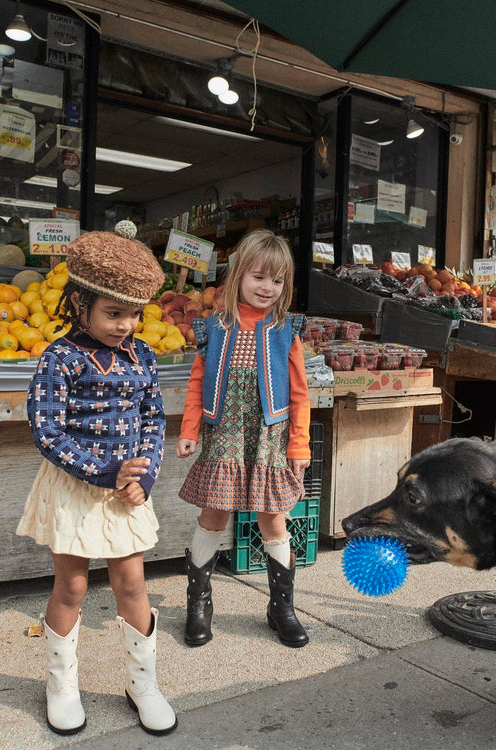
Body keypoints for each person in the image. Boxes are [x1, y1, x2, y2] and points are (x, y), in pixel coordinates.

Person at [16, 224, 177, 737]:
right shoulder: (59, 358)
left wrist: (145, 474)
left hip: (127, 493)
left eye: (134, 313)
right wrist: (106, 471)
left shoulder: (144, 356)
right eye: (113, 313)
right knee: (73, 585)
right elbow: (47, 431)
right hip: (75, 488)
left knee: (132, 582)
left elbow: (154, 419)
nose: (126, 324)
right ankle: (61, 685)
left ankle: (142, 683)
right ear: (79, 303)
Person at [177, 228, 311, 649]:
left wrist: (299, 445)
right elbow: (198, 382)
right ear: (238, 276)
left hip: (269, 439)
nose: (268, 288)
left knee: (273, 519)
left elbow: (300, 393)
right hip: (224, 440)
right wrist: (189, 430)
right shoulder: (214, 327)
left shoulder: (287, 330)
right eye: (258, 277)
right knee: (214, 514)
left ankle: (281, 608)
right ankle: (198, 602)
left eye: (277, 280)